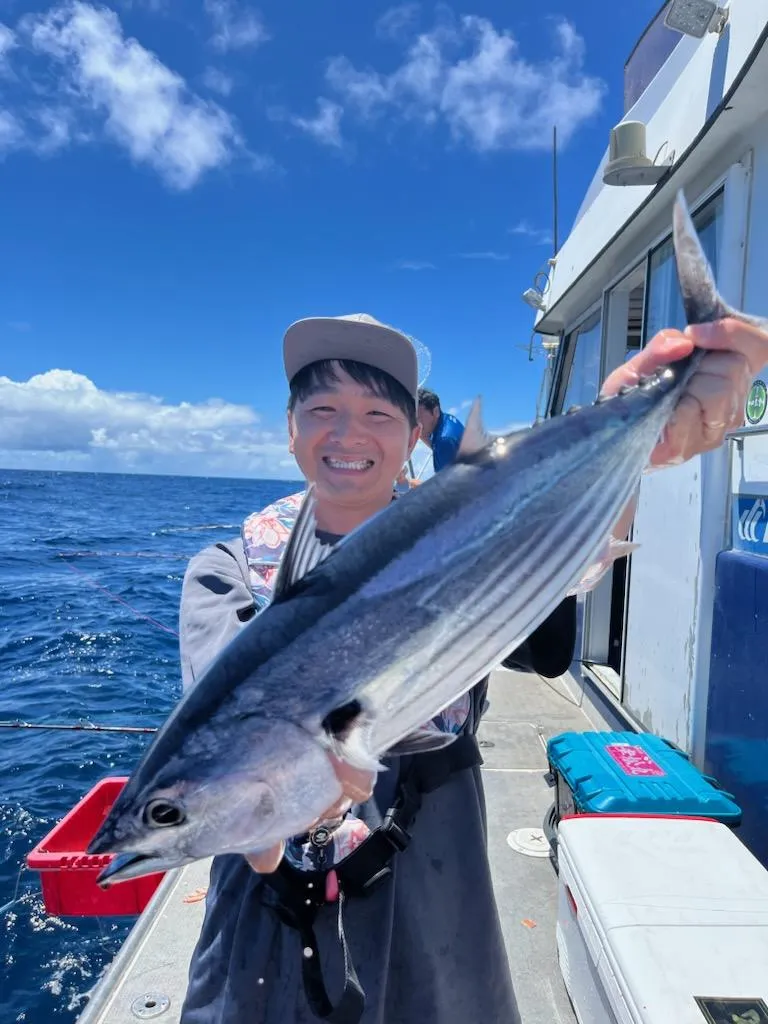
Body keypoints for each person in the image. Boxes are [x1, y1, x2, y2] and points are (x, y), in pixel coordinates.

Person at [177, 310, 765, 1024]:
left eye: (377, 411)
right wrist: (273, 839)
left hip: (431, 853)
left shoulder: (473, 533)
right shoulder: (229, 568)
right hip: (270, 900)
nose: (349, 433)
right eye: (322, 408)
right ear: (289, 425)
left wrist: (634, 440)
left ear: (413, 431)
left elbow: (551, 628)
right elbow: (227, 748)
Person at [416, 387, 465, 472]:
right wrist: (420, 433)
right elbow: (436, 446)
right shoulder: (446, 420)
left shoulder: (444, 441)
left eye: (419, 417)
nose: (416, 422)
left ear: (435, 412)